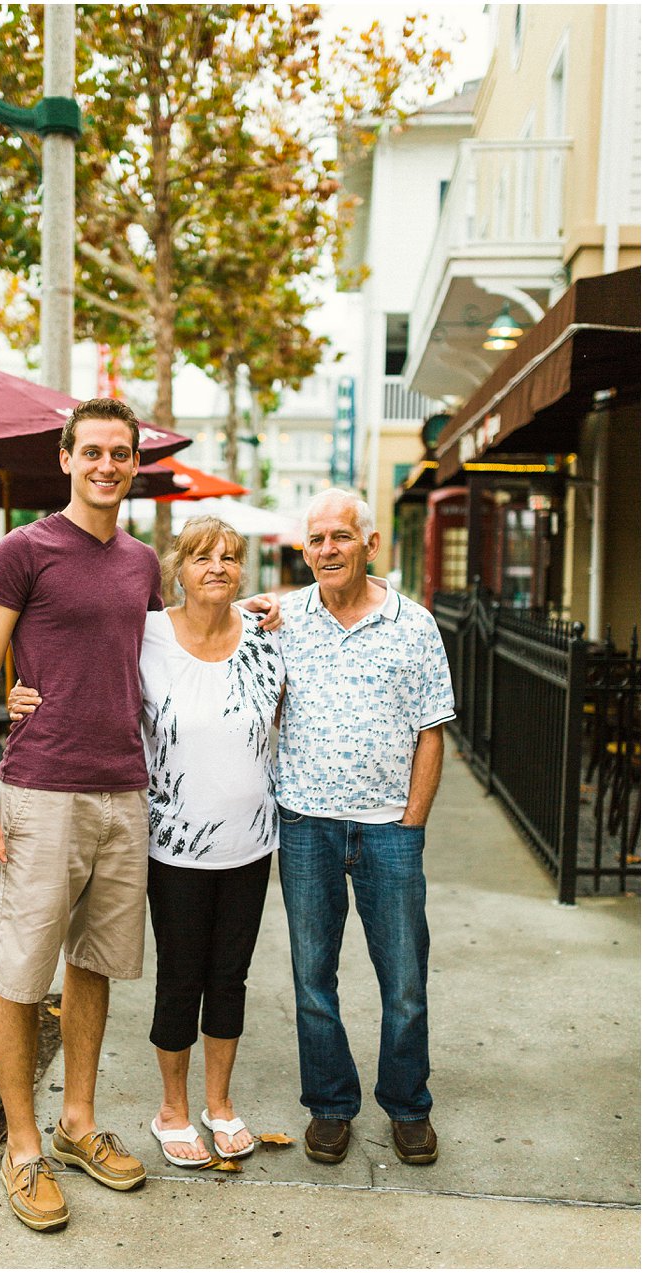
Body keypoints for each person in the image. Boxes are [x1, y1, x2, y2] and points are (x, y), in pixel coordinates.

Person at [0, 401, 279, 1232]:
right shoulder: (21, 550)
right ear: (65, 458)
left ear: (134, 465)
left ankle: (77, 1124)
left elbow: (183, 633)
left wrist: (270, 612)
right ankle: (23, 1147)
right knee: (21, 975)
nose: (106, 464)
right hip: (41, 789)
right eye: (91, 450)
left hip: (126, 792)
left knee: (94, 964)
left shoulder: (140, 563)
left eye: (120, 453)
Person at [9, 516, 284, 1170]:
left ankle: (219, 1104)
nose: (216, 565)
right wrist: (15, 689)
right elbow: (71, 650)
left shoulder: (270, 637)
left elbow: (340, 595)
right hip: (175, 844)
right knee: (181, 976)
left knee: (230, 977)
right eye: (200, 556)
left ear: (242, 570)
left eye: (229, 557)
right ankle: (173, 1110)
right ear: (175, 571)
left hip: (251, 842)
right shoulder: (150, 632)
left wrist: (275, 605)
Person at [275, 487, 455, 1169]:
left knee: (404, 980)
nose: (327, 549)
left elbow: (431, 732)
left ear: (369, 544)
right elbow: (192, 632)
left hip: (387, 831)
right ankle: (329, 1105)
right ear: (305, 549)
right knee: (312, 978)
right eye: (316, 538)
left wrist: (410, 825)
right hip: (306, 824)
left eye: (340, 537)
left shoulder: (414, 625)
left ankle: (407, 1106)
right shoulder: (281, 617)